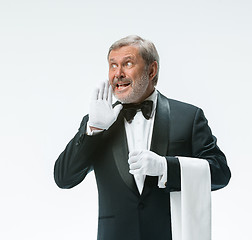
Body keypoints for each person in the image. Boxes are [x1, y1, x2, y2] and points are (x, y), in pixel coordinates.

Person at [53, 35, 231, 240]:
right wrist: (94, 129)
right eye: (112, 65)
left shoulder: (189, 117)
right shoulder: (97, 121)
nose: (118, 74)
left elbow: (220, 173)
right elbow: (64, 178)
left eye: (127, 64)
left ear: (152, 70)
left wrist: (166, 167)